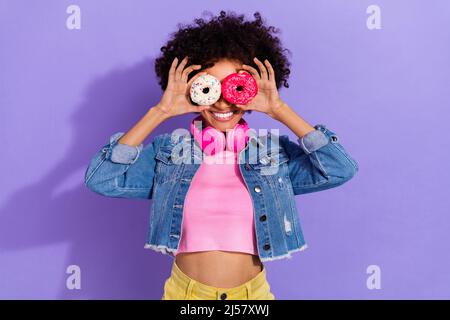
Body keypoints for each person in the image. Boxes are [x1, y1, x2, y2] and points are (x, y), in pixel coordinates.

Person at [84, 10, 359, 300]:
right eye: (209, 87)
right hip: (186, 297)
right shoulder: (169, 153)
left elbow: (339, 168)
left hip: (253, 298)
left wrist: (280, 110)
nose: (223, 102)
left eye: (235, 87)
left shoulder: (272, 154)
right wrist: (160, 112)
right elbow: (101, 180)